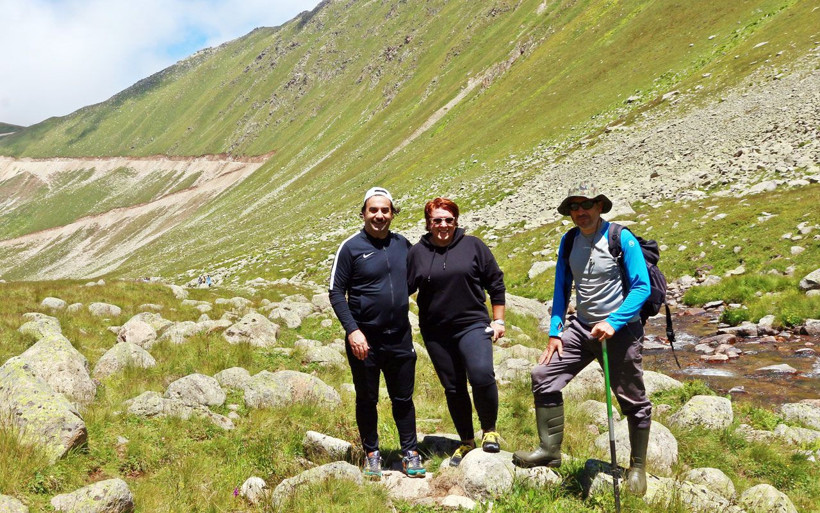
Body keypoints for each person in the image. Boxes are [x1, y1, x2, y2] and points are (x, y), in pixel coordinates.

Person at [512, 183, 652, 496]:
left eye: (586, 205)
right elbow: (562, 286)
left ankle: (638, 467)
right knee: (543, 375)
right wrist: (554, 331)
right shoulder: (569, 240)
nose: (580, 212)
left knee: (633, 400)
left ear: (600, 206)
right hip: (582, 327)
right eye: (574, 207)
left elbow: (641, 288)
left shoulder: (621, 238)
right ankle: (549, 450)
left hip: (621, 330)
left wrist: (614, 322)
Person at [329, 187, 425, 479]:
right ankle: (372, 453)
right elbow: (335, 291)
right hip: (364, 341)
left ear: (393, 214)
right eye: (373, 210)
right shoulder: (351, 247)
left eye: (385, 210)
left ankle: (410, 451)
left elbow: (416, 280)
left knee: (403, 399)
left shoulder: (403, 245)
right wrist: (353, 331)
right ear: (363, 213)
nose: (379, 216)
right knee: (366, 398)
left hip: (399, 337)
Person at [407, 197, 506, 466]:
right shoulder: (417, 252)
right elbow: (403, 288)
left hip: (472, 324)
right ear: (428, 223)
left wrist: (498, 321)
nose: (443, 225)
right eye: (437, 220)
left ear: (456, 221)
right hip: (436, 331)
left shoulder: (473, 245)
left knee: (481, 374)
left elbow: (495, 282)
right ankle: (466, 441)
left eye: (448, 220)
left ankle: (489, 431)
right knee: (453, 388)